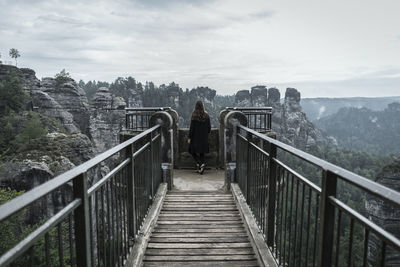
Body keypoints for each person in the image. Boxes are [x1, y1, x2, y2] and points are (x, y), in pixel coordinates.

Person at [188, 100, 211, 174]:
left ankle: (200, 165)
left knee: (191, 151)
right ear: (203, 106)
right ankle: (201, 166)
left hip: (195, 138)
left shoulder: (194, 115)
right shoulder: (206, 115)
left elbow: (192, 128)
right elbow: (209, 128)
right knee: (202, 153)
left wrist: (189, 137)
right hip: (204, 138)